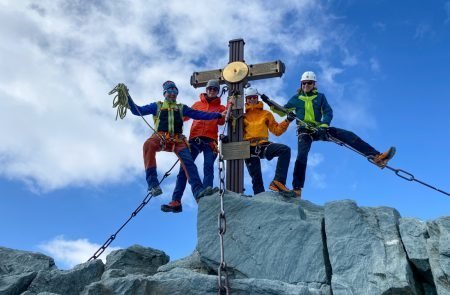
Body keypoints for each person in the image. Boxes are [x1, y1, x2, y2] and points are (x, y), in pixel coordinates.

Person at [279, 71, 395, 198]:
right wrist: (268, 102)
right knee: (302, 155)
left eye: (309, 83)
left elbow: (328, 112)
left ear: (314, 84)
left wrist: (324, 125)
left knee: (348, 135)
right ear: (301, 84)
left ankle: (377, 157)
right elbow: (281, 110)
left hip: (319, 128)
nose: (306, 85)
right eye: (304, 83)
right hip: (304, 130)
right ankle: (297, 189)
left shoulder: (320, 97)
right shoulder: (296, 99)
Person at [127, 80, 226, 202]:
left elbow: (200, 115)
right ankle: (153, 184)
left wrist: (217, 115)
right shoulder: (157, 106)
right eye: (169, 91)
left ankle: (198, 191)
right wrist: (128, 100)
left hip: (178, 139)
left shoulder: (181, 108)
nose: (172, 93)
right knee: (148, 145)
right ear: (165, 93)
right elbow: (138, 111)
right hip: (161, 137)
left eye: (175, 91)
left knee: (189, 163)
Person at [161, 79, 227, 213]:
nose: (212, 91)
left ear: (217, 92)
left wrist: (229, 108)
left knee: (208, 166)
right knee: (184, 169)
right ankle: (176, 200)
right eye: (210, 89)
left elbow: (221, 122)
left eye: (215, 89)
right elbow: (183, 116)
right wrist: (170, 113)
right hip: (194, 139)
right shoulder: (197, 104)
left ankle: (206, 191)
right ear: (206, 90)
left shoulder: (221, 108)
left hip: (210, 140)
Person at [243, 87, 295, 196]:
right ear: (246, 100)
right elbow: (234, 129)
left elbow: (276, 130)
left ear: (257, 98)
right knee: (256, 177)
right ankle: (260, 198)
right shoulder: (241, 116)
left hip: (262, 145)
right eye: (249, 98)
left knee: (284, 150)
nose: (251, 100)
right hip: (247, 148)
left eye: (254, 97)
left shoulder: (265, 114)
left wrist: (287, 120)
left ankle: (278, 181)